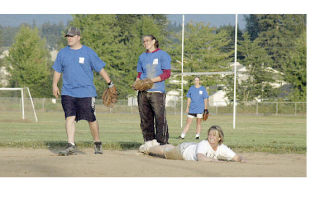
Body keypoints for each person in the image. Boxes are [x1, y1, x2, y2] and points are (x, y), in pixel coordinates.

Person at [52, 27, 115, 156]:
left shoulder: (88, 52)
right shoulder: (63, 53)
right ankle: (71, 145)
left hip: (86, 92)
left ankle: (97, 142)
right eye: (68, 36)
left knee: (91, 119)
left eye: (72, 36)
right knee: (69, 117)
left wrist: (110, 83)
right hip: (68, 92)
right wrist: (54, 85)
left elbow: (100, 68)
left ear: (78, 37)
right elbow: (57, 70)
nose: (69, 38)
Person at [135, 35, 171, 152]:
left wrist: (151, 81)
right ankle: (149, 142)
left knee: (159, 118)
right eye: (143, 41)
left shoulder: (162, 55)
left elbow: (167, 73)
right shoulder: (142, 57)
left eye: (147, 41)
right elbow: (139, 74)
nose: (145, 43)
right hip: (143, 91)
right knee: (145, 118)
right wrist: (137, 83)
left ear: (154, 41)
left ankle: (162, 143)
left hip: (157, 90)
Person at [140, 125, 244, 162]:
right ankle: (148, 148)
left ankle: (155, 144)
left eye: (214, 135)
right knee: (166, 152)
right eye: (210, 134)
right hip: (182, 152)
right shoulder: (204, 143)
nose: (211, 137)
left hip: (189, 146)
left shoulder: (222, 148)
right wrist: (215, 161)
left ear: (219, 138)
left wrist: (240, 159)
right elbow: (200, 157)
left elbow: (236, 157)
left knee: (171, 147)